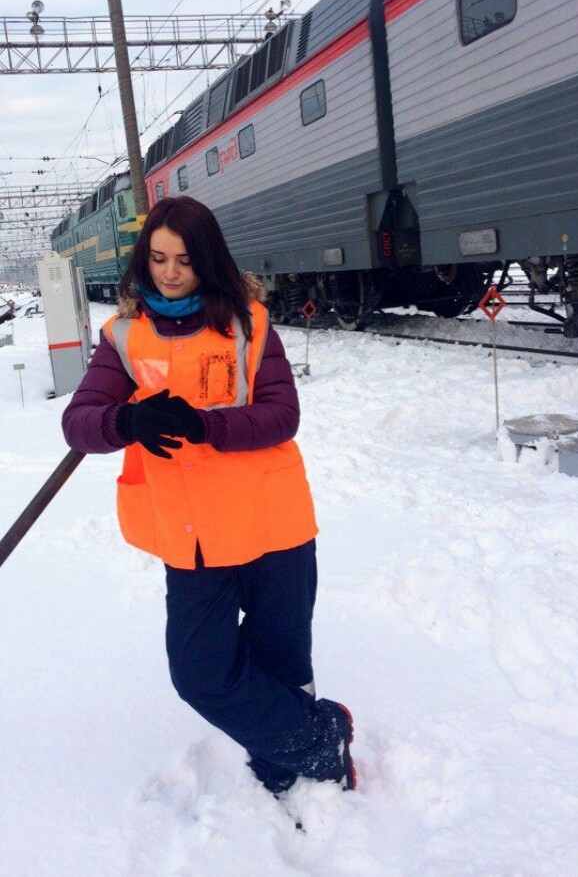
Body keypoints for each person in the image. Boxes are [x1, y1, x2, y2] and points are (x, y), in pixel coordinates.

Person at [62, 196, 356, 796]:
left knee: (283, 659)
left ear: (210, 261)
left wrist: (207, 427)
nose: (170, 273)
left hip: (272, 523)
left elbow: (282, 415)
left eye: (186, 260)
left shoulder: (249, 324)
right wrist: (127, 423)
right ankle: (323, 737)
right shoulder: (122, 336)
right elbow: (79, 423)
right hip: (191, 535)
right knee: (200, 672)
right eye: (159, 258)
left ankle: (285, 760)